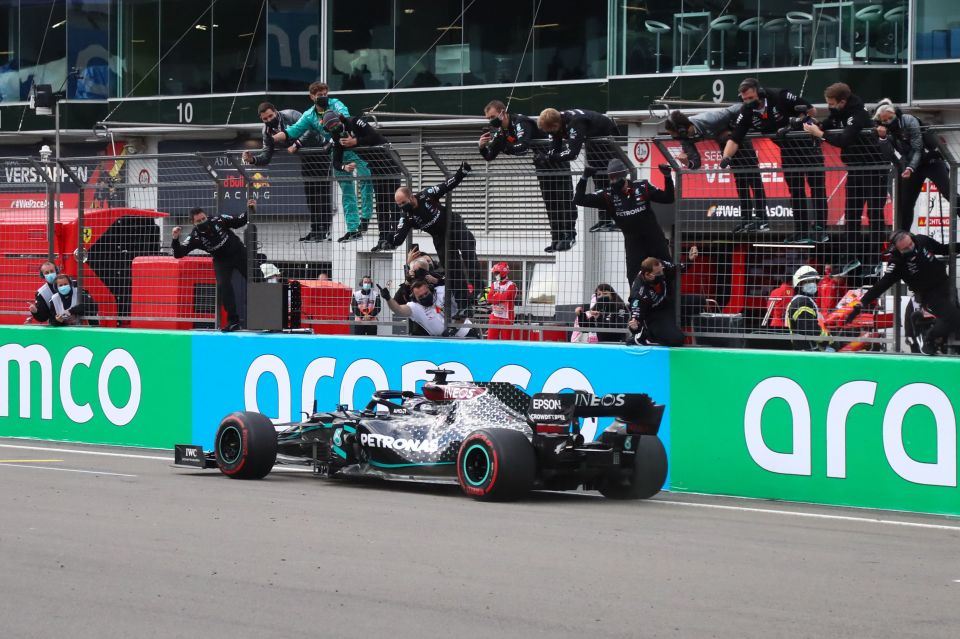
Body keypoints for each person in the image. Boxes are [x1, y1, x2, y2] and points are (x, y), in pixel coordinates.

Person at [721, 78, 828, 244]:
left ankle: (821, 229)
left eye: (751, 98)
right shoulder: (747, 111)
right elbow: (735, 139)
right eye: (744, 99)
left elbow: (811, 111)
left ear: (760, 93)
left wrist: (794, 124)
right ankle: (801, 231)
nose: (748, 102)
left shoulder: (780, 96)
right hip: (787, 149)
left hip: (808, 145)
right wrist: (726, 157)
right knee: (795, 190)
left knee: (817, 187)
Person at [267, 84, 373, 243]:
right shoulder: (309, 115)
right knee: (347, 190)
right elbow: (294, 130)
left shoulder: (336, 104)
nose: (323, 97)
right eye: (319, 95)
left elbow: (345, 117)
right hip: (337, 152)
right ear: (312, 97)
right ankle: (353, 229)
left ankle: (365, 219)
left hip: (353, 146)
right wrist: (272, 139)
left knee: (366, 179)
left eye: (325, 94)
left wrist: (334, 128)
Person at [802, 83, 887, 272]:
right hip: (855, 168)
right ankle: (849, 257)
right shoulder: (839, 111)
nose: (830, 107)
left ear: (843, 101)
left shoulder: (857, 114)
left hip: (874, 168)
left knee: (874, 214)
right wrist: (817, 126)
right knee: (851, 214)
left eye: (832, 103)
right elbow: (831, 121)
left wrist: (820, 134)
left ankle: (876, 260)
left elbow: (844, 140)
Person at [479, 100, 577, 252]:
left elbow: (523, 146)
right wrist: (482, 147)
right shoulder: (501, 132)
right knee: (550, 202)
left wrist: (505, 147)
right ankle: (556, 238)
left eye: (492, 116)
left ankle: (569, 236)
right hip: (542, 164)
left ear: (502, 113)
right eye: (488, 118)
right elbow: (490, 156)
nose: (490, 120)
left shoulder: (520, 121)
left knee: (564, 199)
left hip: (556, 159)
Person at [847, 230, 960, 355]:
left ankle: (923, 324)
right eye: (905, 249)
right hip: (929, 294)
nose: (910, 248)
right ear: (898, 249)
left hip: (946, 285)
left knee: (955, 321)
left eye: (910, 244)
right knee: (954, 318)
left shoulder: (922, 240)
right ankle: (928, 338)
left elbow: (943, 249)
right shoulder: (896, 263)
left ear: (911, 238)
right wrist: (862, 303)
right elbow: (881, 285)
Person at [391, 161, 483, 311]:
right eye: (399, 205)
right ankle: (463, 304)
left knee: (467, 252)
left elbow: (446, 185)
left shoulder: (426, 195)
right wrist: (388, 241)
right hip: (440, 237)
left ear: (411, 197)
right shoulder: (406, 216)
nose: (402, 207)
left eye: (403, 203)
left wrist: (462, 172)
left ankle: (479, 290)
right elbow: (398, 236)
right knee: (452, 268)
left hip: (454, 224)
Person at [665, 109, 768, 233]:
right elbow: (696, 164)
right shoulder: (683, 137)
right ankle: (746, 219)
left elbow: (739, 108)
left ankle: (762, 219)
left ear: (681, 130)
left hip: (739, 138)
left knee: (754, 178)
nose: (673, 137)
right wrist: (687, 162)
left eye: (673, 134)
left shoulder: (710, 118)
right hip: (725, 145)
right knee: (740, 182)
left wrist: (735, 130)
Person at [573, 158, 675, 283]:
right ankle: (637, 301)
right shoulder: (607, 195)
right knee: (633, 277)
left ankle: (671, 300)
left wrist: (667, 176)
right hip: (633, 242)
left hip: (654, 238)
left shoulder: (642, 186)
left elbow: (668, 198)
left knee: (669, 271)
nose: (614, 181)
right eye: (611, 178)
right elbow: (579, 199)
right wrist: (584, 177)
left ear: (624, 176)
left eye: (616, 177)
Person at [242, 101, 331, 242]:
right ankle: (315, 230)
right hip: (306, 158)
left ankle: (325, 230)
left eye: (271, 116)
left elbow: (312, 129)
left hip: (321, 151)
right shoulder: (266, 131)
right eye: (265, 119)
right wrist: (252, 159)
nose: (269, 120)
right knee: (310, 195)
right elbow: (266, 156)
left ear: (276, 112)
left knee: (322, 192)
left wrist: (297, 144)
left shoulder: (291, 115)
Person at [319, 110, 401, 251]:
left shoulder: (354, 121)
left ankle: (395, 237)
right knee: (381, 203)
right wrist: (344, 167)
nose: (335, 128)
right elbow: (336, 161)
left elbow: (374, 136)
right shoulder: (337, 136)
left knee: (392, 201)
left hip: (390, 161)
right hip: (375, 166)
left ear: (340, 119)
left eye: (335, 124)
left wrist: (355, 141)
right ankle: (383, 238)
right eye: (331, 127)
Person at [172, 199, 253, 332]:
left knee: (256, 280)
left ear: (206, 216)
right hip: (221, 260)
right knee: (223, 285)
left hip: (239, 253)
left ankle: (267, 318)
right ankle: (234, 321)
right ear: (193, 223)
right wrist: (175, 239)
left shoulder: (218, 219)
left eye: (203, 218)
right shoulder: (194, 236)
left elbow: (239, 221)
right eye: (198, 221)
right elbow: (178, 253)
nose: (202, 222)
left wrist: (249, 209)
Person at [873, 98, 953, 231]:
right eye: (884, 120)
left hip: (930, 160)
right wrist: (883, 138)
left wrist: (910, 167)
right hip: (910, 164)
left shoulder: (909, 120)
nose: (888, 122)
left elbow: (918, 149)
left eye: (890, 118)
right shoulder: (883, 130)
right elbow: (889, 156)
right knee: (906, 204)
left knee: (949, 194)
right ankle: (904, 236)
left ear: (895, 113)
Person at [537, 107, 622, 232]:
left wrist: (550, 158)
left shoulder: (575, 122)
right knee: (599, 181)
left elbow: (572, 153)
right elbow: (554, 148)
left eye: (548, 130)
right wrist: (548, 157)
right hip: (595, 141)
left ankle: (619, 219)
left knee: (610, 179)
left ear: (555, 125)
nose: (548, 133)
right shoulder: (559, 123)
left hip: (607, 138)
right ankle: (605, 220)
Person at [626, 247, 699, 347]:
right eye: (658, 273)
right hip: (655, 314)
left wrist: (689, 259)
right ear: (648, 275)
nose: (662, 273)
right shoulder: (639, 293)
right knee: (677, 339)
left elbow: (676, 268)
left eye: (662, 270)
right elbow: (636, 318)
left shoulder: (661, 265)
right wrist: (634, 327)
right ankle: (648, 335)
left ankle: (674, 324)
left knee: (699, 300)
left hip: (667, 302)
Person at [379, 279, 473, 337]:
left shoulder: (443, 291)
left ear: (430, 289)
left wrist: (453, 329)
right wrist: (388, 298)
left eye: (426, 293)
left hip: (467, 334)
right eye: (420, 297)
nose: (424, 297)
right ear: (414, 298)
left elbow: (464, 307)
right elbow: (398, 310)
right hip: (442, 342)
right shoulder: (415, 307)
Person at [785, 265, 831, 351]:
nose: (812, 284)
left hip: (805, 350)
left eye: (813, 281)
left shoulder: (801, 300)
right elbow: (812, 331)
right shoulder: (802, 303)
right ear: (799, 284)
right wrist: (829, 340)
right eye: (808, 281)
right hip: (809, 351)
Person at [485, 262, 518, 340]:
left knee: (505, 341)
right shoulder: (494, 284)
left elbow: (507, 297)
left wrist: (496, 296)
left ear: (503, 273)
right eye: (494, 273)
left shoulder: (511, 285)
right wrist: (500, 297)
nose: (495, 275)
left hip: (506, 317)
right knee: (490, 340)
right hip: (495, 316)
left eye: (496, 273)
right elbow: (489, 298)